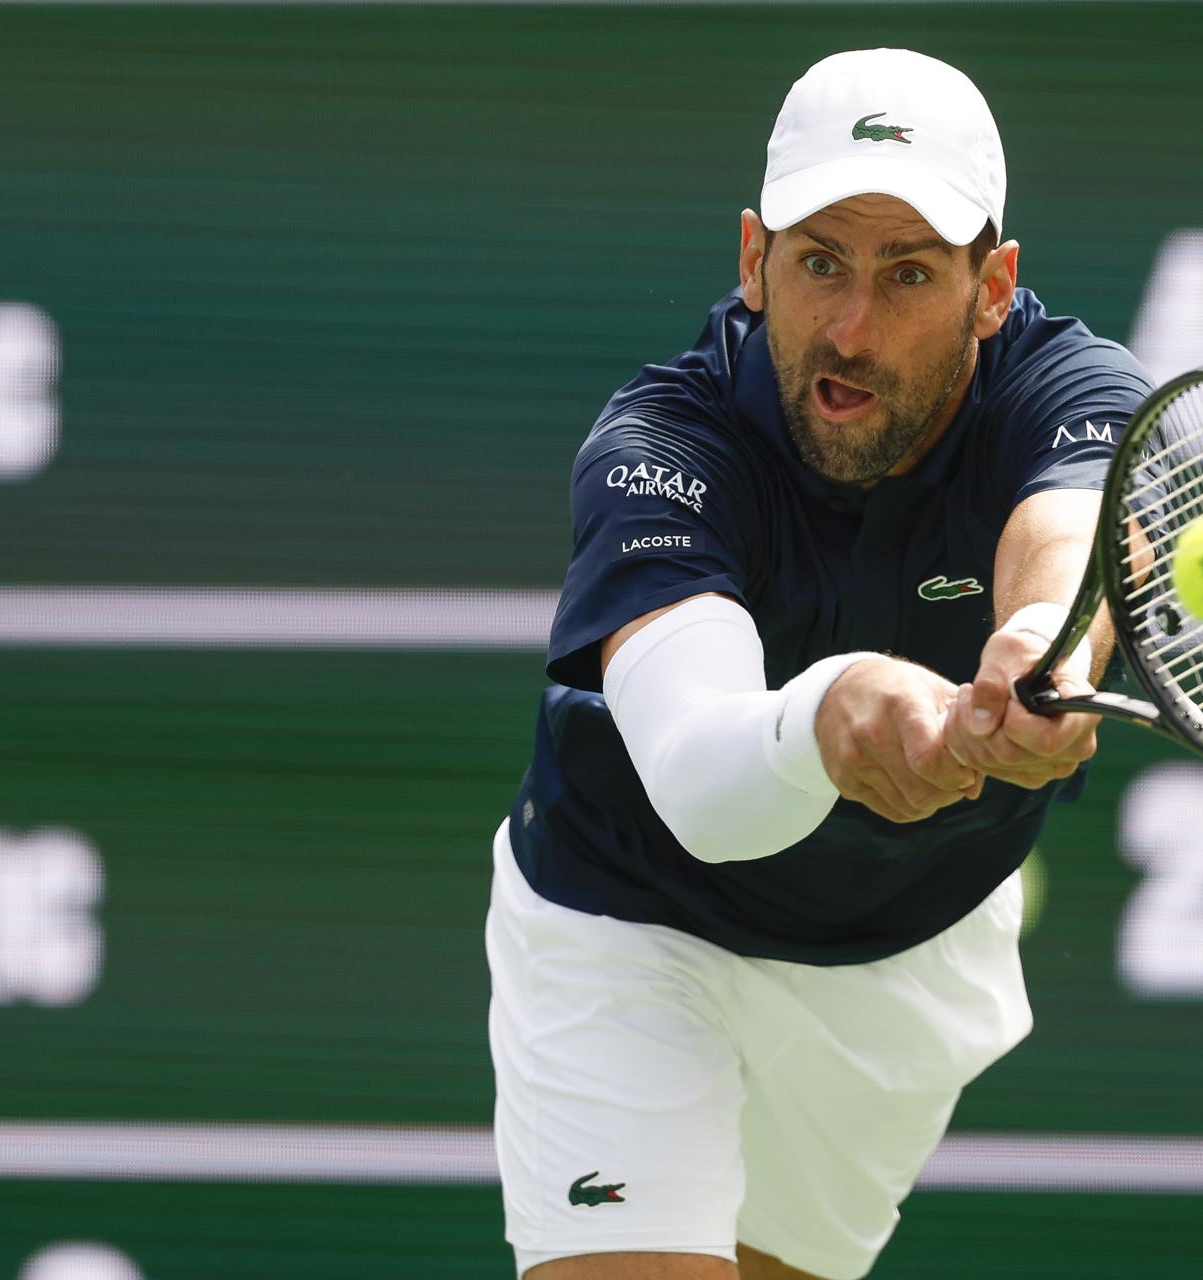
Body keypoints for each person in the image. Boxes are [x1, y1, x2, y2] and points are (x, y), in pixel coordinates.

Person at [486, 48, 1151, 1280]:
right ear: (754, 261)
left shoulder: (1074, 387)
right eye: (820, 263)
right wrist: (832, 712)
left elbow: (1072, 532)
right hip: (633, 917)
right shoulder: (659, 446)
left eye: (909, 273)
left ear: (993, 287)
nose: (852, 328)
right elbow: (699, 776)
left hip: (906, 948)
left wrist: (1040, 643)